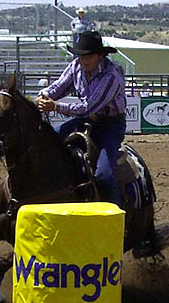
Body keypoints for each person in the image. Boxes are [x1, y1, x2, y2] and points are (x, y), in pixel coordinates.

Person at [35, 31, 126, 207]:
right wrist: (43, 96)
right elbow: (57, 88)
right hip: (86, 121)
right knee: (48, 142)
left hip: (110, 126)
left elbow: (87, 108)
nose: (83, 59)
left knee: (104, 174)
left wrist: (54, 107)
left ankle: (118, 215)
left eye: (88, 55)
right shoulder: (76, 66)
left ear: (100, 55)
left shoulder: (111, 76)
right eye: (80, 54)